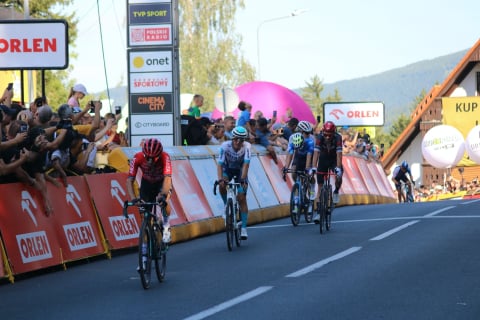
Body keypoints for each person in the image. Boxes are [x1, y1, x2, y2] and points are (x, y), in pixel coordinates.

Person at [126, 138, 172, 244]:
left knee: (164, 201)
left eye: (154, 158)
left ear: (159, 155)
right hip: (147, 183)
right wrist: (133, 198)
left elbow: (167, 179)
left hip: (162, 182)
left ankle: (166, 225)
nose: (150, 161)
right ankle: (147, 236)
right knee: (144, 211)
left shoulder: (165, 157)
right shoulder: (137, 157)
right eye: (148, 158)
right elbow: (129, 180)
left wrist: (163, 194)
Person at [216, 126, 251, 240]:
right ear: (232, 138)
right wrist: (220, 179)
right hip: (228, 169)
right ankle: (227, 205)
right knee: (222, 185)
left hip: (240, 170)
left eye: (241, 140)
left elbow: (246, 165)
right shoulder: (225, 146)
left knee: (241, 197)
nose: (238, 142)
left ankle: (244, 228)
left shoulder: (247, 147)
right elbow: (220, 165)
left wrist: (243, 180)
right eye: (236, 139)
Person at [311, 121, 343, 223]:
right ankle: (319, 213)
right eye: (326, 135)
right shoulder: (320, 137)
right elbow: (316, 153)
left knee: (339, 174)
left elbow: (339, 155)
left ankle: (336, 190)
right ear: (323, 132)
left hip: (334, 159)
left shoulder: (338, 137)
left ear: (334, 133)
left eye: (330, 135)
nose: (328, 137)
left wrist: (338, 168)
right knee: (320, 186)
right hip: (323, 159)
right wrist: (313, 167)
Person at [282, 121, 316, 200]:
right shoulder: (292, 137)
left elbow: (310, 155)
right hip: (298, 156)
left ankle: (312, 188)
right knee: (294, 172)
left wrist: (308, 169)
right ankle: (298, 185)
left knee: (309, 174)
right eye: (306, 133)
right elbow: (290, 153)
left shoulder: (311, 139)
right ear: (300, 131)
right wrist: (286, 167)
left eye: (309, 133)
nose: (308, 135)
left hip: (309, 156)